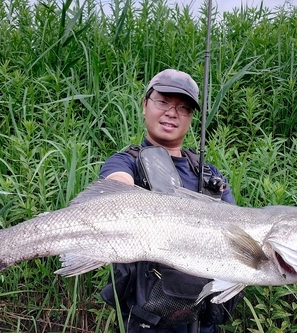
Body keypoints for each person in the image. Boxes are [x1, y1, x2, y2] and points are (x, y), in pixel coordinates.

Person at [99, 69, 242, 333]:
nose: (171, 112)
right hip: (149, 324)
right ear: (145, 105)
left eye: (183, 107)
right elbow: (116, 191)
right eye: (163, 101)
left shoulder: (210, 175)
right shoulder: (125, 162)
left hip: (203, 324)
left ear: (190, 118)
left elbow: (235, 232)